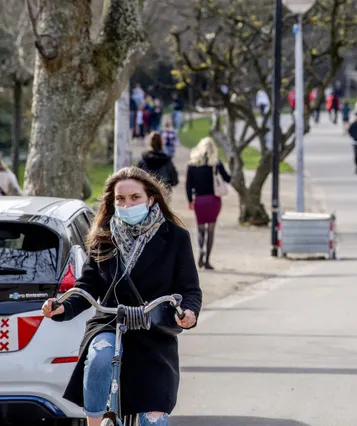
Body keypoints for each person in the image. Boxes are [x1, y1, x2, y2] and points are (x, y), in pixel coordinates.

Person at [41, 167, 202, 426]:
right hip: (110, 322)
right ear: (112, 202)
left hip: (154, 332)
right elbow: (87, 286)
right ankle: (93, 422)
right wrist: (62, 307)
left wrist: (189, 313)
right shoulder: (102, 238)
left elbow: (190, 290)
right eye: (120, 199)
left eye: (135, 197)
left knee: (154, 419)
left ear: (151, 199)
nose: (127, 204)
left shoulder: (175, 238)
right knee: (100, 356)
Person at [186, 137, 231, 270]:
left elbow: (188, 186)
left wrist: (190, 200)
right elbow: (228, 179)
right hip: (213, 200)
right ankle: (207, 261)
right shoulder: (216, 164)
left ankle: (201, 249)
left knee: (200, 229)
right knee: (211, 230)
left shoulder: (192, 165)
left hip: (199, 200)